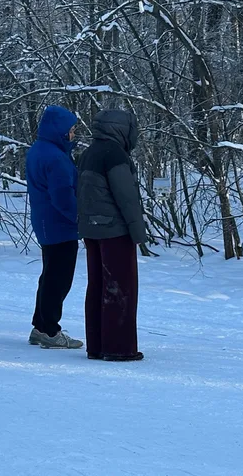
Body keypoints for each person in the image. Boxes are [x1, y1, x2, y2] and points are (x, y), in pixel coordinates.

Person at [77, 108, 149, 362]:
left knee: (97, 285)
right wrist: (138, 232)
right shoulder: (115, 154)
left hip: (91, 229)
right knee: (120, 287)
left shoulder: (88, 153)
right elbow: (126, 197)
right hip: (115, 230)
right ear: (123, 129)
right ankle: (119, 347)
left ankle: (96, 345)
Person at [26, 105, 84, 350]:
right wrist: (79, 218)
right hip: (59, 224)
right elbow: (62, 196)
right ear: (59, 130)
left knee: (49, 275)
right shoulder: (56, 158)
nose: (73, 134)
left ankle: (40, 326)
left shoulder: (39, 149)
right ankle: (50, 330)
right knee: (59, 279)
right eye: (71, 130)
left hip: (46, 221)